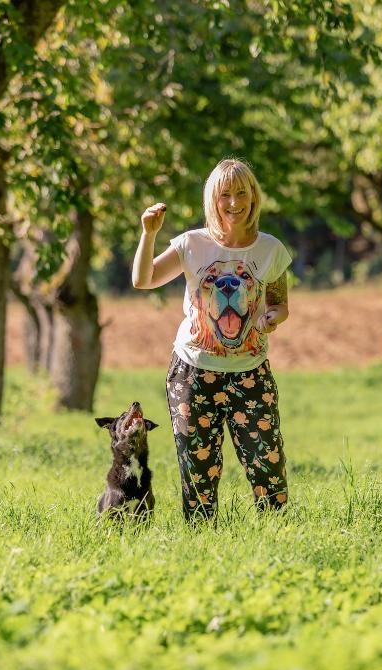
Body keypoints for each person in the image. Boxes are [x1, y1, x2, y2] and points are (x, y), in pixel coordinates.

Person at [131, 158, 292, 520]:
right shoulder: (192, 245)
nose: (234, 202)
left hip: (251, 373)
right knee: (198, 476)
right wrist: (148, 234)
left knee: (267, 465)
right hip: (192, 374)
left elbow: (280, 304)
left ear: (254, 197)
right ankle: (203, 548)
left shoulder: (269, 250)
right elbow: (143, 280)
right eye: (225, 195)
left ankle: (279, 538)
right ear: (212, 200)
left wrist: (272, 318)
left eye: (241, 193)